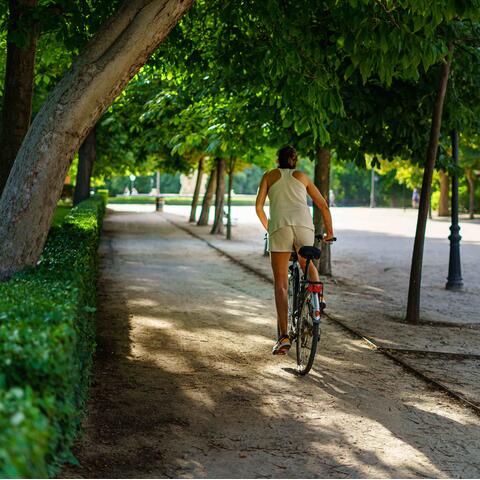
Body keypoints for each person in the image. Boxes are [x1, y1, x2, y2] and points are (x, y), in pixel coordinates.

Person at [256, 146, 334, 355]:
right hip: (303, 227)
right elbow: (323, 205)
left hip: (279, 227)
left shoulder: (269, 176)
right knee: (306, 264)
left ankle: (283, 337)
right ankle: (319, 297)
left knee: (281, 283)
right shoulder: (302, 176)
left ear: (277, 159)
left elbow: (259, 207)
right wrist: (329, 233)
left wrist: (270, 227)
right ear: (294, 160)